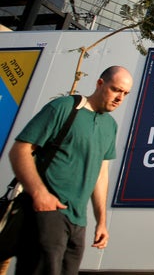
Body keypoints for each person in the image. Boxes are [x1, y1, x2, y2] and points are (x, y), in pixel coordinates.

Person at [8, 65, 133, 275]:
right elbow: (20, 150)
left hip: (78, 221)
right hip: (47, 213)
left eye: (125, 93)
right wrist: (40, 194)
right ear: (100, 83)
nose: (120, 98)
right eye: (116, 90)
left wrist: (101, 221)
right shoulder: (64, 108)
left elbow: (101, 175)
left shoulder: (110, 126)